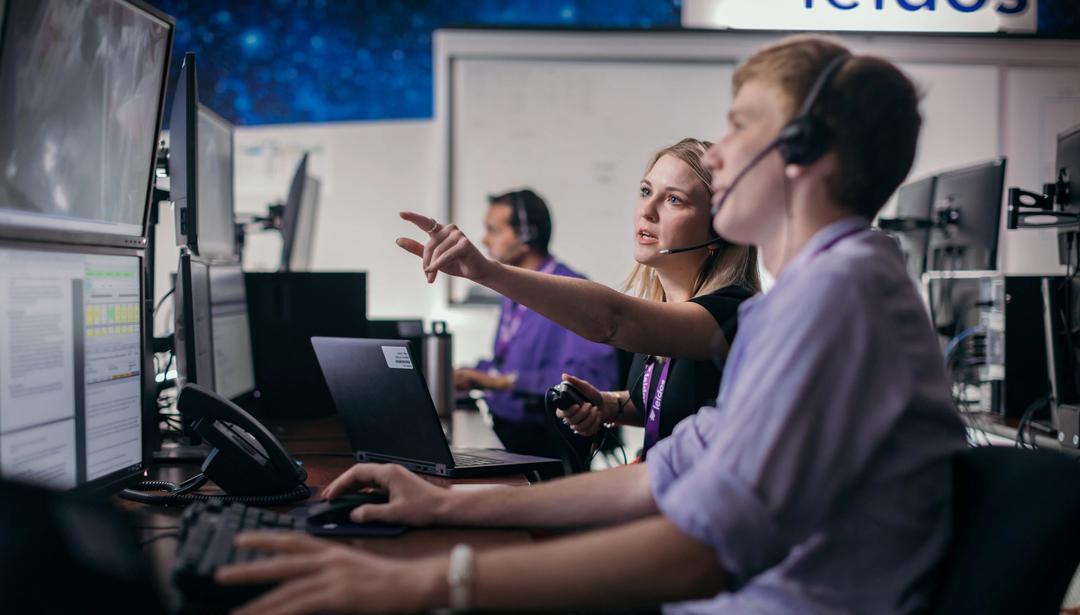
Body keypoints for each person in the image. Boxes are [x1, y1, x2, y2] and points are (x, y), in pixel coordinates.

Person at [218, 35, 967, 614]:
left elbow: (703, 549)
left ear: (803, 150)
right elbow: (661, 477)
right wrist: (444, 503)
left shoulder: (837, 303)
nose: (719, 151)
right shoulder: (810, 299)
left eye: (739, 124)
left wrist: (429, 578)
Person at [556, 138, 760, 459]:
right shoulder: (662, 306)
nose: (647, 211)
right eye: (646, 191)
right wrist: (610, 405)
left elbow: (612, 322)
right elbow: (677, 405)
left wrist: (485, 271)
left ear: (718, 231)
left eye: (674, 200)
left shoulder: (730, 312)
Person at [452, 188, 620, 464]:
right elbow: (505, 363)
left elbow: (593, 381)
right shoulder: (514, 290)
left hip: (544, 440)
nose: (483, 239)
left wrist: (500, 382)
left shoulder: (571, 293)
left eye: (493, 230)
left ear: (527, 235)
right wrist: (470, 374)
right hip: (507, 430)